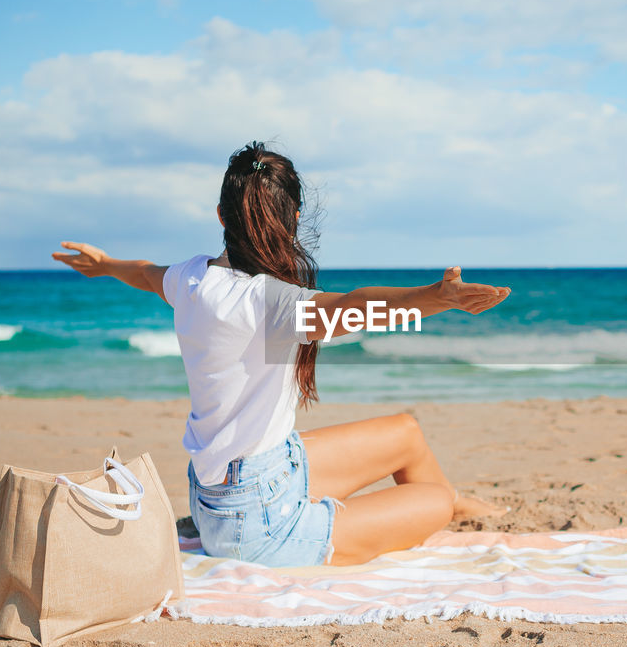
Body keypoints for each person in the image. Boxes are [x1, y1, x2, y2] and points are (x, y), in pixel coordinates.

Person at [52, 141, 510, 567]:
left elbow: (145, 273)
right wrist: (436, 296)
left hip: (240, 485)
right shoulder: (270, 304)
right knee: (435, 502)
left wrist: (103, 265)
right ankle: (447, 501)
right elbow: (358, 307)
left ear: (220, 216)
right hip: (258, 526)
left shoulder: (191, 278)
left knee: (406, 433)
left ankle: (452, 496)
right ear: (293, 219)